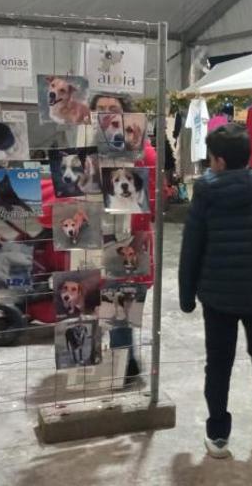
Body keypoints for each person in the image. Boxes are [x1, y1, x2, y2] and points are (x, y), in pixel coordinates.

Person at [178, 123, 252, 459]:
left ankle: (218, 436)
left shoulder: (205, 194)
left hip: (217, 297)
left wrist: (187, 294)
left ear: (217, 160)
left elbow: (191, 248)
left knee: (218, 364)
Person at [90, 93, 157, 385]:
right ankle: (122, 360)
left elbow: (154, 200)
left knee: (124, 307)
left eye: (113, 110)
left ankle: (124, 363)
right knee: (104, 307)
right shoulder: (85, 153)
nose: (106, 115)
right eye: (100, 110)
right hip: (94, 241)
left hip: (133, 240)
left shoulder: (147, 154)